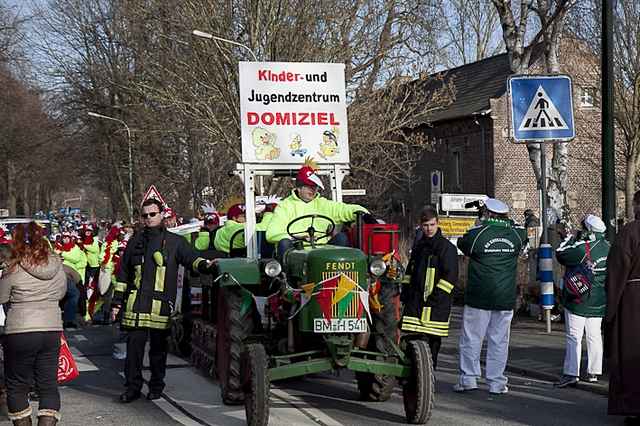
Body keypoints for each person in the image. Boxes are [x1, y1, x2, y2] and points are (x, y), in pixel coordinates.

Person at [111, 199, 215, 403]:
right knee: (133, 351)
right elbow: (123, 274)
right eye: (145, 215)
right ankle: (133, 387)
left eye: (152, 214)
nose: (149, 218)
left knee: (158, 351)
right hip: (136, 308)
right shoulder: (135, 242)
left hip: (160, 308)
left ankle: (156, 386)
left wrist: (207, 265)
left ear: (162, 215)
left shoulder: (175, 242)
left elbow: (192, 258)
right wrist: (116, 303)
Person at [454, 198, 527, 395]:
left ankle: (468, 378)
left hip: (479, 296)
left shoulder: (478, 234)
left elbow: (463, 243)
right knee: (499, 340)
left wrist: (479, 223)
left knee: (472, 338)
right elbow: (522, 234)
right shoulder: (516, 235)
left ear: (488, 213)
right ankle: (496, 382)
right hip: (504, 297)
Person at [0, 222, 67, 426]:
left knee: (17, 385)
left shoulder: (14, 267)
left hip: (21, 329)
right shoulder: (56, 264)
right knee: (47, 385)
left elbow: (1, 297)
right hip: (51, 329)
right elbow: (63, 292)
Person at [266, 157, 369, 255]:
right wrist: (297, 237)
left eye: (314, 187)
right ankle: (286, 272)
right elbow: (272, 234)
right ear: (298, 188)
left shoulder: (323, 204)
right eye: (308, 187)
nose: (313, 190)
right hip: (297, 251)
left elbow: (345, 210)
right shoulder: (285, 206)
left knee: (342, 238)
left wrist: (364, 214)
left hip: (323, 251)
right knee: (284, 243)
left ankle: (342, 271)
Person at [554, 214, 610, 388]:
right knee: (594, 336)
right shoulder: (609, 247)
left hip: (579, 298)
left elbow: (561, 254)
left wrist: (569, 238)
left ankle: (572, 373)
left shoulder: (582, 247)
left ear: (588, 230)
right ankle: (594, 372)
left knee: (574, 336)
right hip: (599, 299)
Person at [400, 205, 458, 369]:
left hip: (435, 306)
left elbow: (450, 277)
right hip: (416, 304)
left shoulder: (447, 248)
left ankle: (428, 378)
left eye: (432, 225)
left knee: (432, 346)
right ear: (421, 225)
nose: (429, 229)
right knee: (412, 343)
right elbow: (410, 273)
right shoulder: (419, 247)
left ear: (438, 223)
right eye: (425, 225)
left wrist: (435, 298)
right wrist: (405, 294)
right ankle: (413, 379)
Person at [605, 190, 640, 423]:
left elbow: (616, 270)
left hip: (633, 303)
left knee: (630, 354)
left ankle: (634, 407)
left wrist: (610, 311)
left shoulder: (630, 232)